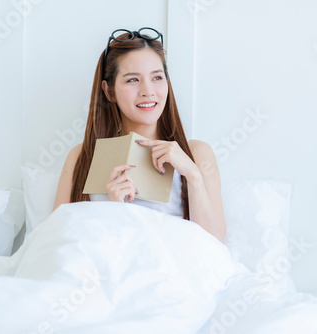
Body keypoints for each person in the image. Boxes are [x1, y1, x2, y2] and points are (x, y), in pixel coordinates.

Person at [53, 28, 226, 242]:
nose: (148, 90)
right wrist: (114, 211)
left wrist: (193, 176)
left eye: (157, 77)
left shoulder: (197, 153)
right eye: (132, 80)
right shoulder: (83, 156)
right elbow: (56, 239)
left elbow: (215, 244)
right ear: (109, 91)